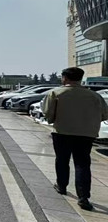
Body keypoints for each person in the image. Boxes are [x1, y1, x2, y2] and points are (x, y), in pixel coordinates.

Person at [42, 67, 108, 211]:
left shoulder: (56, 93)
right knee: (82, 164)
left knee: (62, 160)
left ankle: (62, 186)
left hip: (62, 132)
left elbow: (48, 113)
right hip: (86, 134)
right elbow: (104, 114)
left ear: (65, 78)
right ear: (80, 78)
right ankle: (83, 197)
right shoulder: (95, 96)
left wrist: (54, 119)